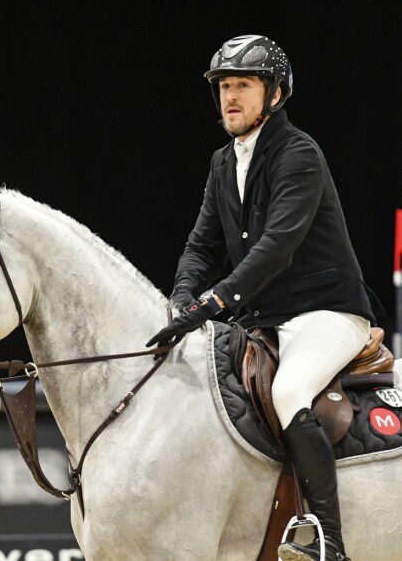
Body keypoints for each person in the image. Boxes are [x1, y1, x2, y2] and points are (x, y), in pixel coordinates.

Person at [146, 34, 384, 561]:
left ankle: (329, 541)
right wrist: (181, 298)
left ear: (274, 95)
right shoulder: (221, 162)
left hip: (327, 313)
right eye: (225, 86)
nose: (230, 97)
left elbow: (277, 246)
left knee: (291, 390)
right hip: (265, 320)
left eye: (244, 86)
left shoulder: (299, 152)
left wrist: (213, 304)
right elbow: (201, 245)